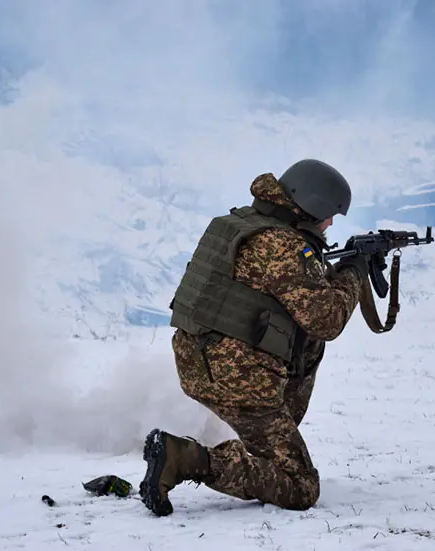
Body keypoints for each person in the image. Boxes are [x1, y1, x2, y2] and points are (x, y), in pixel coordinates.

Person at [138, 159, 369, 517]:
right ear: (310, 205)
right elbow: (327, 320)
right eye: (329, 214)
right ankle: (183, 459)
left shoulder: (242, 224)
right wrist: (355, 271)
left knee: (276, 431)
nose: (330, 223)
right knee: (299, 486)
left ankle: (262, 446)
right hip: (239, 379)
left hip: (200, 363)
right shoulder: (283, 246)